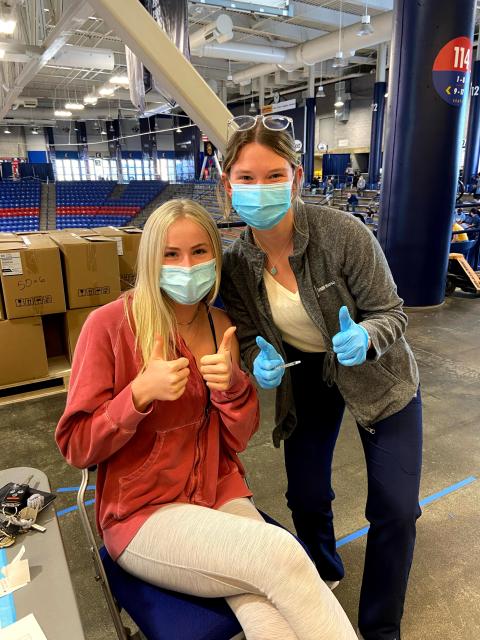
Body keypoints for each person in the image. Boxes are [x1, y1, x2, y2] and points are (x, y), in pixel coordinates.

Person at [55, 199, 356, 640]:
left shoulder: (221, 326)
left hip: (217, 489)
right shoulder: (109, 326)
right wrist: (137, 396)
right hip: (143, 513)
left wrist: (233, 387)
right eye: (171, 255)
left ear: (216, 256)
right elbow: (77, 446)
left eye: (200, 252)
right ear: (150, 259)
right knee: (283, 555)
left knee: (266, 609)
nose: (187, 265)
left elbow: (237, 439)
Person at [218, 114, 422, 640]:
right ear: (227, 184)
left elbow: (392, 312)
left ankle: (381, 626)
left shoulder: (342, 234)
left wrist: (368, 337)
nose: (259, 188)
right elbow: (243, 331)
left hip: (377, 374)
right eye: (246, 177)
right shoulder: (238, 262)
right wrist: (252, 359)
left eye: (273, 175)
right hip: (303, 374)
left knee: (395, 509)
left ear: (297, 176)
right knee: (306, 495)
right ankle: (323, 570)